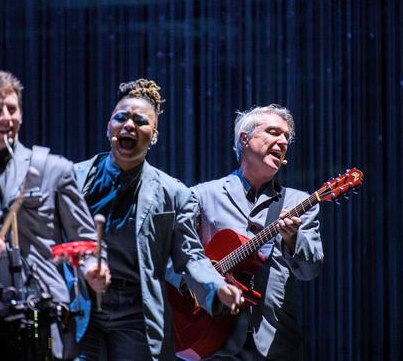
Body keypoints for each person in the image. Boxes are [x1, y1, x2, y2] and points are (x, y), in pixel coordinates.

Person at [0, 66, 110, 360]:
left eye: (12, 109)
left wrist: (94, 267)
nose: (7, 118)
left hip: (45, 317)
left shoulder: (55, 170)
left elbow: (85, 243)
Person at [73, 78, 243, 361]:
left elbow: (190, 256)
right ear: (108, 127)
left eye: (140, 121)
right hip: (82, 303)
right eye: (121, 118)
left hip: (136, 310)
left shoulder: (173, 193)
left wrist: (216, 287)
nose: (129, 125)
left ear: (153, 136)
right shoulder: (75, 179)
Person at [191, 104, 323, 360]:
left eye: (286, 137)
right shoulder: (202, 196)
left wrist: (293, 238)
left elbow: (310, 270)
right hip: (210, 335)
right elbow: (177, 258)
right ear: (245, 138)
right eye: (273, 132)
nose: (282, 141)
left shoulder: (299, 202)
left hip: (274, 342)